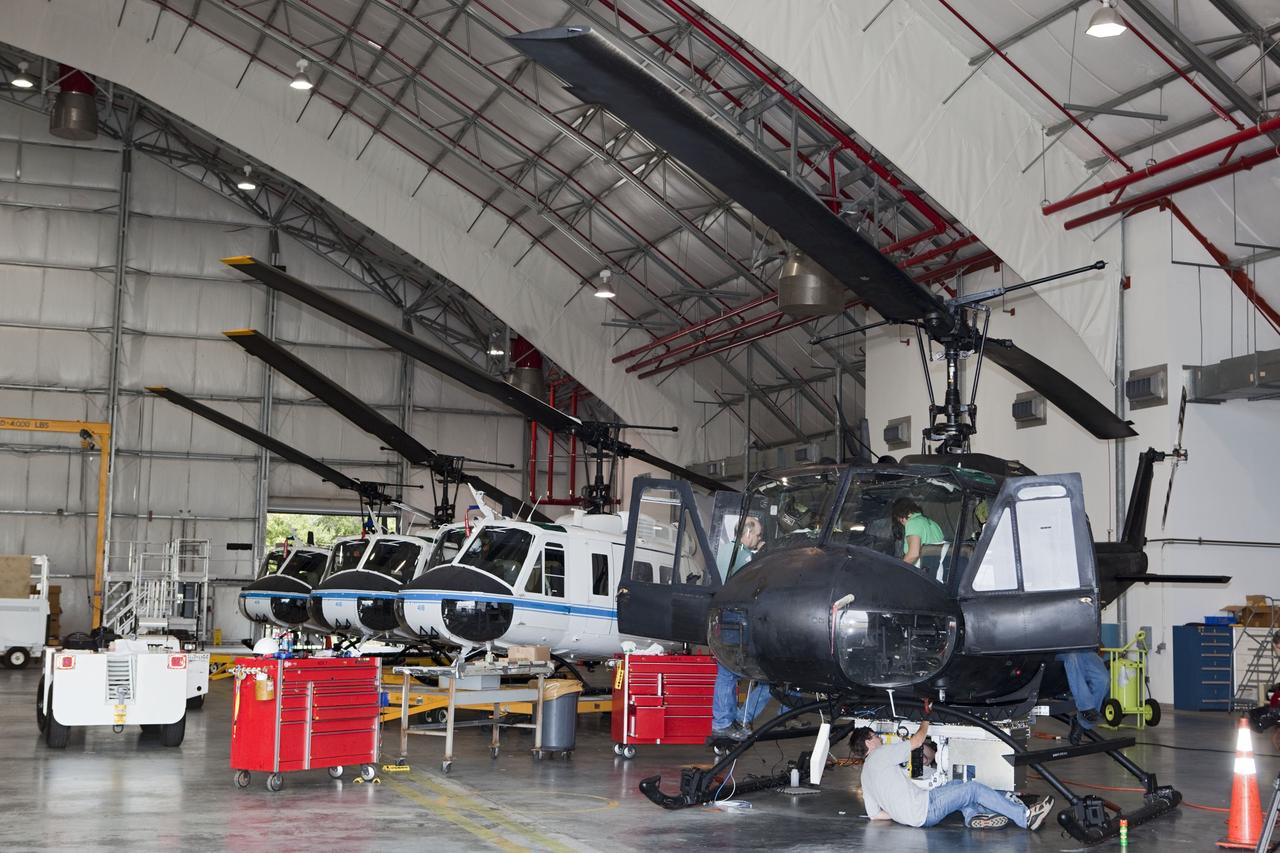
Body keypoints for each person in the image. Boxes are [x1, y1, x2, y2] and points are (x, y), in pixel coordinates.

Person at [852, 721, 1055, 831]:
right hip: (926, 810)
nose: (879, 738)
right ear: (869, 743)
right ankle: (1025, 817)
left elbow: (875, 815)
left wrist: (901, 814)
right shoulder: (880, 754)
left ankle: (973, 816)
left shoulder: (865, 774)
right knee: (972, 789)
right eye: (875, 736)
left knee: (958, 783)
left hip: (923, 803)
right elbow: (917, 742)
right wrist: (925, 720)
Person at [711, 517, 770, 741]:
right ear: (747, 533)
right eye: (758, 535)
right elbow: (757, 577)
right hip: (734, 617)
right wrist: (762, 553)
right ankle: (724, 722)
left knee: (730, 671)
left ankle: (731, 720)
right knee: (730, 672)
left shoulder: (727, 550)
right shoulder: (741, 555)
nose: (759, 539)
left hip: (726, 616)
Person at [1056, 649, 1109, 744]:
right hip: (1060, 651)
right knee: (1072, 657)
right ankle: (1086, 709)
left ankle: (1081, 722)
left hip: (1084, 650)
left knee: (1103, 679)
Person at [892, 498, 945, 567]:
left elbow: (913, 554)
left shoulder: (913, 523)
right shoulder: (933, 523)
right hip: (936, 570)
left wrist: (898, 569)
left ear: (899, 515)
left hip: (920, 571)